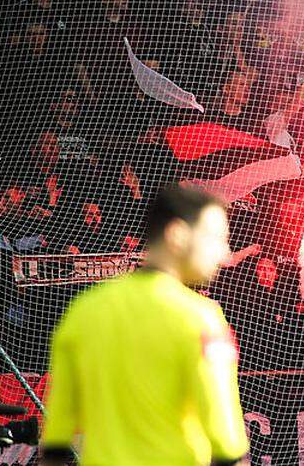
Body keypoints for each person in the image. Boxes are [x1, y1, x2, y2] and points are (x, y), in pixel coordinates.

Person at [39, 185, 249, 466]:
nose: (225, 253)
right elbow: (224, 437)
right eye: (216, 238)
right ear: (177, 235)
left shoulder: (84, 311)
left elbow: (56, 432)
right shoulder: (202, 318)